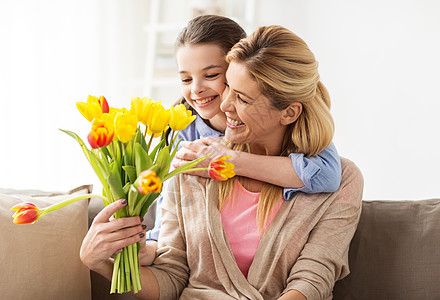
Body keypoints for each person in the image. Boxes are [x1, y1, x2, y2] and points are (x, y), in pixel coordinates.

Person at [81, 25, 363, 299]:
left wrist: (232, 161)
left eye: (240, 96)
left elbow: (313, 279)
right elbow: (172, 277)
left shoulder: (341, 177)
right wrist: (101, 262)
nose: (224, 105)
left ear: (289, 112)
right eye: (228, 88)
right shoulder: (194, 158)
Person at [146, 14, 342, 242]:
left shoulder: (272, 124)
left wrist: (226, 160)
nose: (196, 89)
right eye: (186, 79)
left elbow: (326, 174)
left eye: (211, 75)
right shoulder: (183, 129)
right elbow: (168, 221)